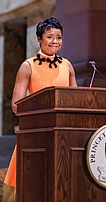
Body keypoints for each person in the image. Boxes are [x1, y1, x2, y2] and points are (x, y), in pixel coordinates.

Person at [4, 17, 77, 192]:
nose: (55, 41)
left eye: (59, 37)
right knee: (32, 186)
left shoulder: (67, 65)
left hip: (65, 134)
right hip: (36, 134)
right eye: (50, 37)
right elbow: (16, 105)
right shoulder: (28, 66)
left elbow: (76, 99)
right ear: (39, 39)